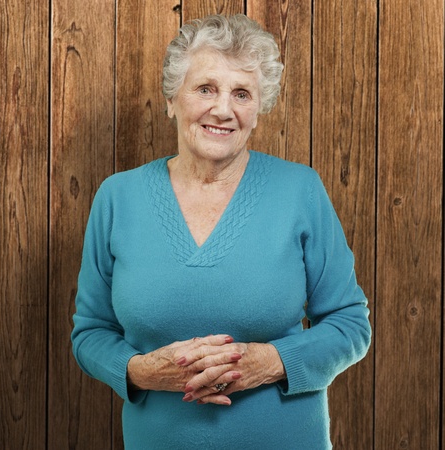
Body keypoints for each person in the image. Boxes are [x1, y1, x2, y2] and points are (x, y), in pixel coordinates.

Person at [71, 14, 371, 450]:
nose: (223, 109)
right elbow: (90, 333)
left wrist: (269, 362)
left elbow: (350, 323)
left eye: (242, 94)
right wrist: (140, 371)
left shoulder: (300, 189)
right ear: (172, 99)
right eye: (206, 88)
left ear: (257, 112)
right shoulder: (118, 197)